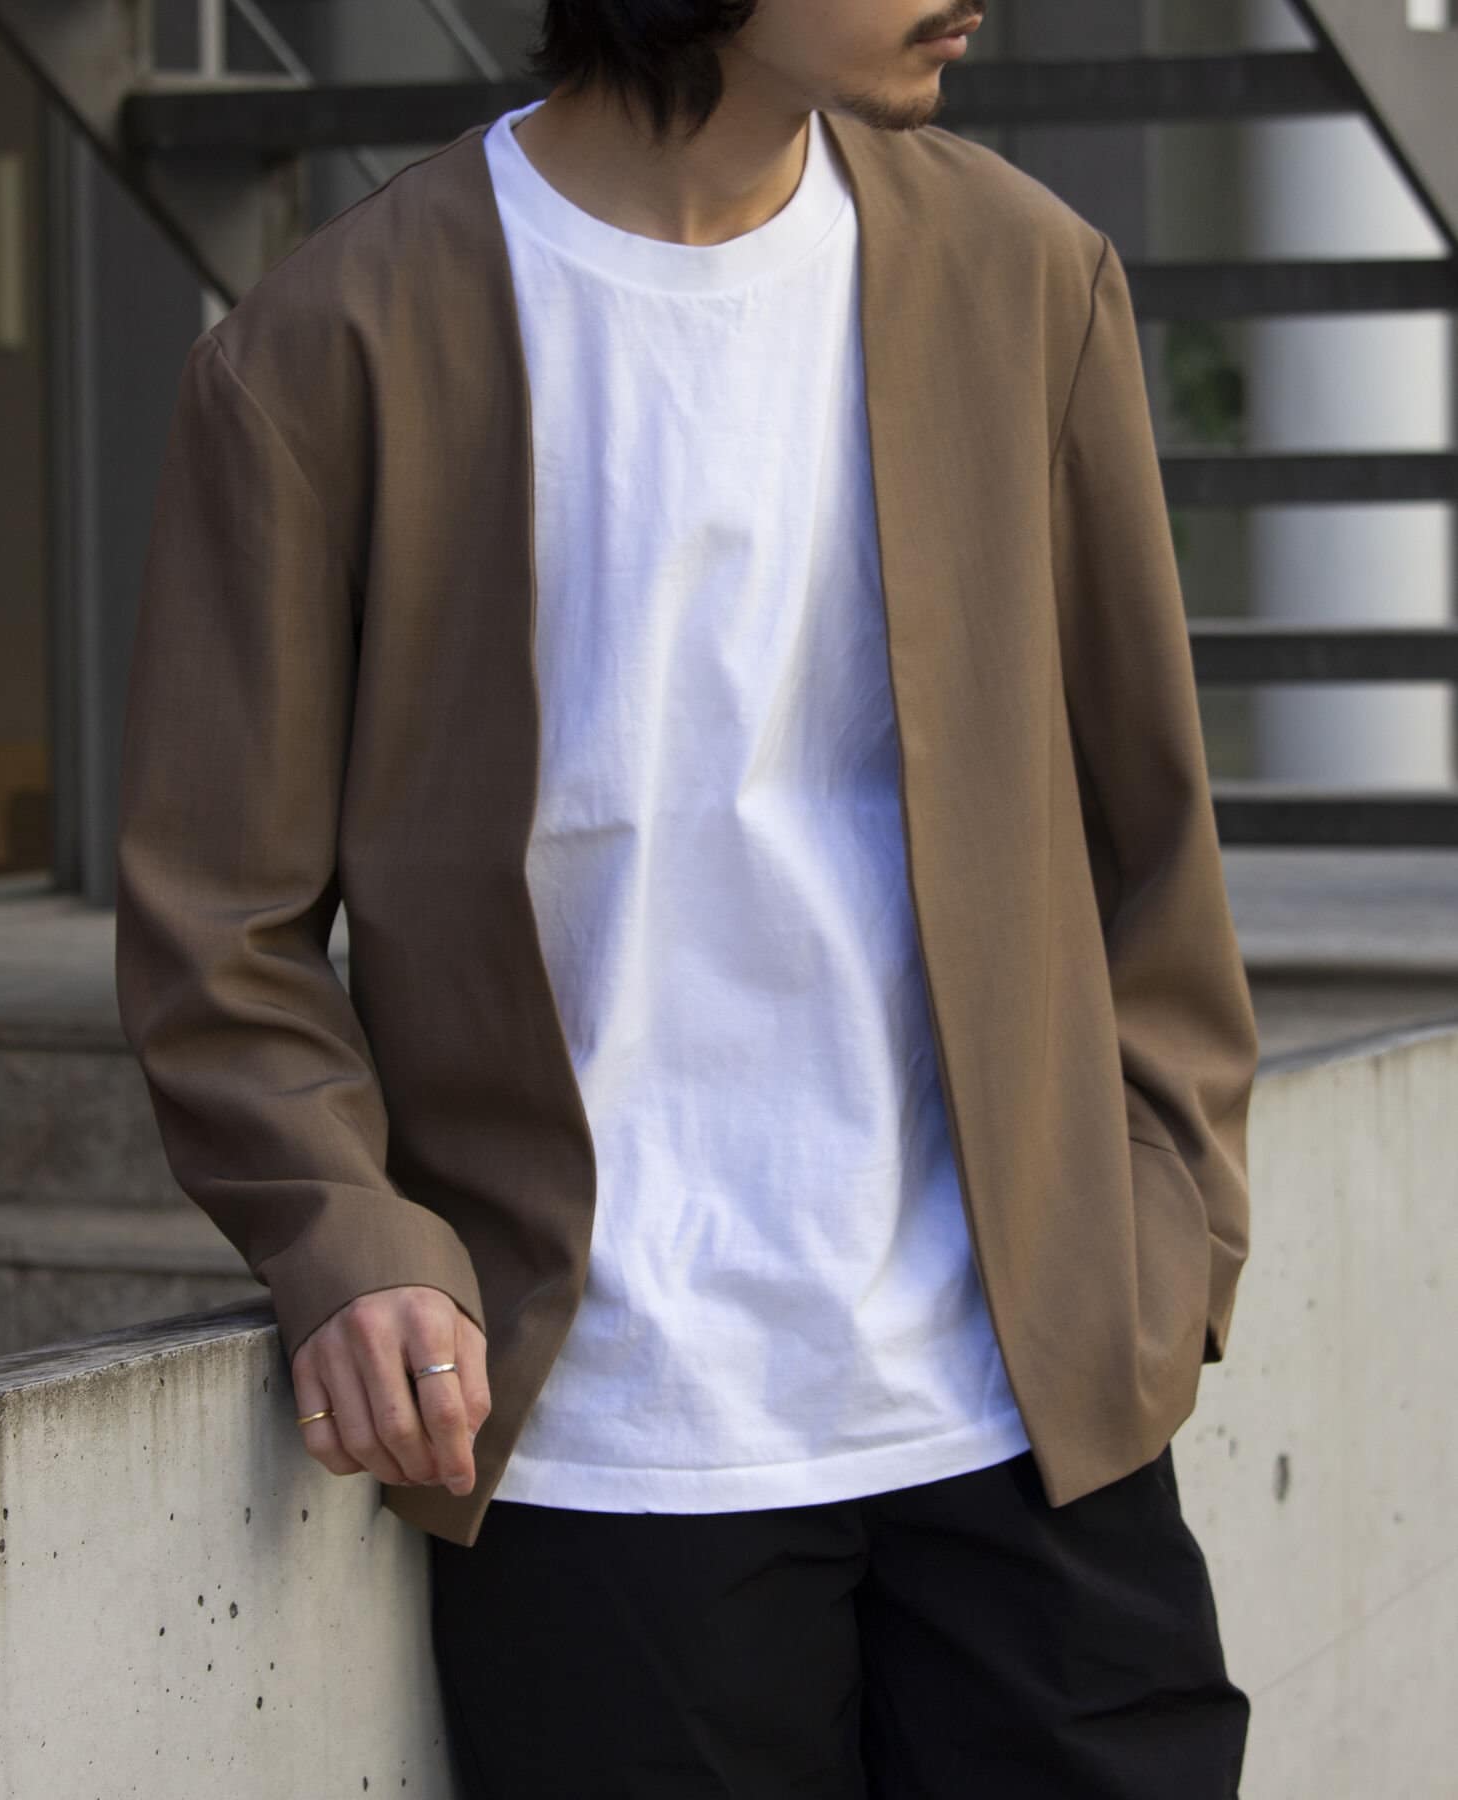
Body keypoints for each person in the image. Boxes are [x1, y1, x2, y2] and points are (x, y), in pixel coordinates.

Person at [115, 2, 1260, 1794]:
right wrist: (339, 1228)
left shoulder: (1027, 278)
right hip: (616, 1451)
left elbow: (1148, 828)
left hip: (1030, 1415)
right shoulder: (328, 349)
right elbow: (219, 921)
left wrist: (1166, 1234)